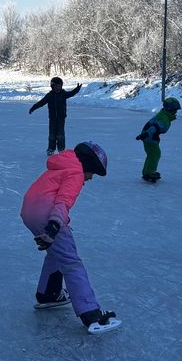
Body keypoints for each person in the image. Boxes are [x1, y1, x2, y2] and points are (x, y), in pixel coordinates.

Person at [20, 141, 120, 334]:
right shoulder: (75, 172)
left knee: (56, 253)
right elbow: (63, 201)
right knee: (71, 261)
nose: (90, 179)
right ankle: (90, 313)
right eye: (92, 173)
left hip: (29, 212)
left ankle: (48, 293)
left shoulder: (62, 165)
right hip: (48, 216)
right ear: (88, 165)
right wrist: (54, 226)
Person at [28, 77, 82, 155]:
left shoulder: (63, 94)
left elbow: (71, 93)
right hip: (52, 118)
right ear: (52, 86)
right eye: (56, 86)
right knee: (52, 134)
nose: (58, 88)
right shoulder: (49, 95)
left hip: (61, 118)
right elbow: (41, 102)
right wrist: (33, 107)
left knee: (60, 134)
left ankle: (61, 149)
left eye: (59, 86)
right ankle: (51, 149)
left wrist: (77, 89)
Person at [136, 96, 181, 182]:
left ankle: (147, 172)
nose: (176, 112)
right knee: (155, 154)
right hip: (149, 137)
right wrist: (144, 135)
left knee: (152, 154)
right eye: (175, 110)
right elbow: (154, 127)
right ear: (169, 109)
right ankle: (149, 173)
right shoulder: (163, 117)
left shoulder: (165, 115)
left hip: (150, 136)